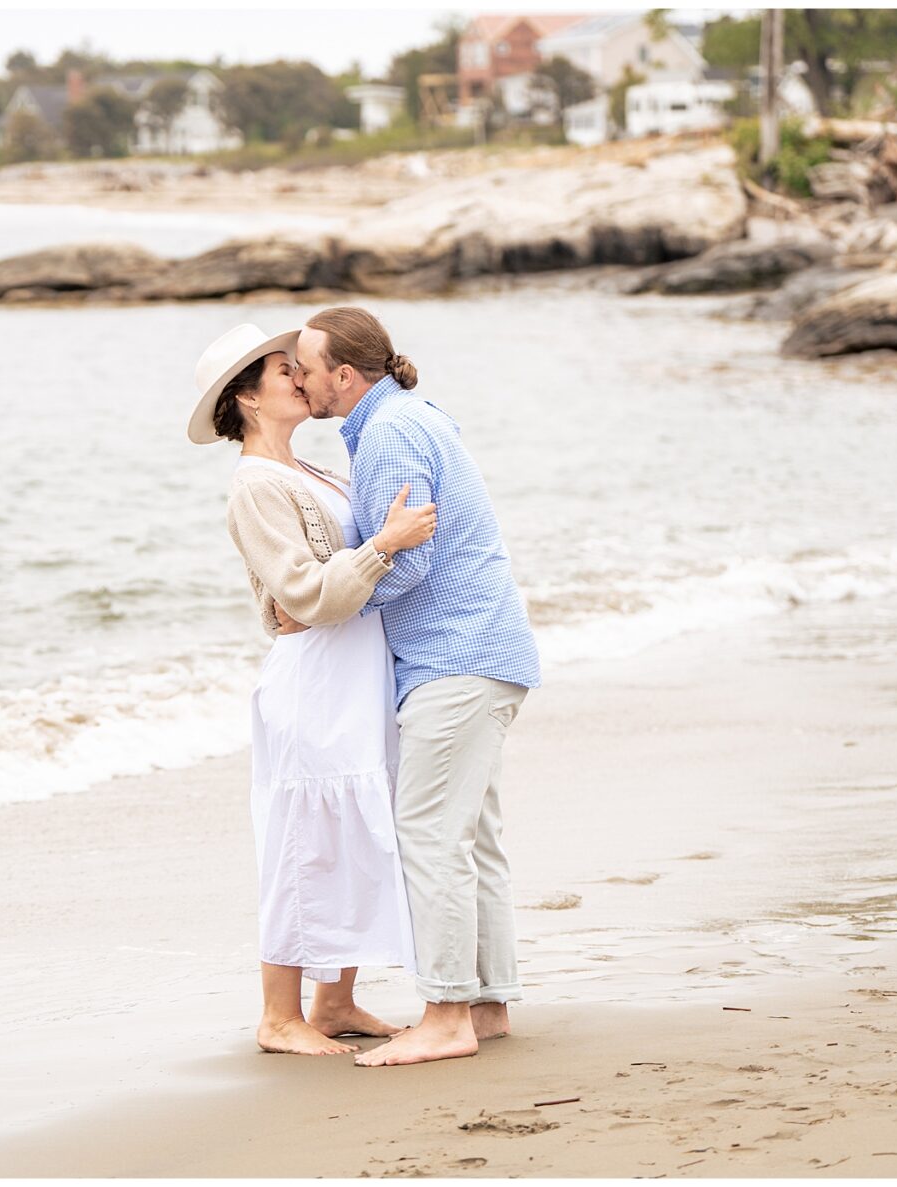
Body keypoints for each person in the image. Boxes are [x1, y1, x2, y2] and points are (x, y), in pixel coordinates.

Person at [291, 306, 543, 1068]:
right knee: (471, 836)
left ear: (344, 375)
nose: (297, 378)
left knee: (430, 834)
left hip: (454, 658)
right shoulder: (405, 417)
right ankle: (486, 1003)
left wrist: (330, 603)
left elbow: (412, 558)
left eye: (305, 365)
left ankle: (445, 1013)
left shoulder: (392, 431)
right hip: (480, 652)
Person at [188, 322, 438, 1056]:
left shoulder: (316, 473)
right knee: (303, 840)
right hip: (314, 685)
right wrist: (384, 545)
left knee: (355, 832)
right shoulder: (255, 484)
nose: (299, 375)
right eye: (279, 370)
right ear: (247, 397)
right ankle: (278, 1016)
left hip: (351, 676)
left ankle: (335, 1002)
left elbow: (320, 590)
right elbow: (303, 593)